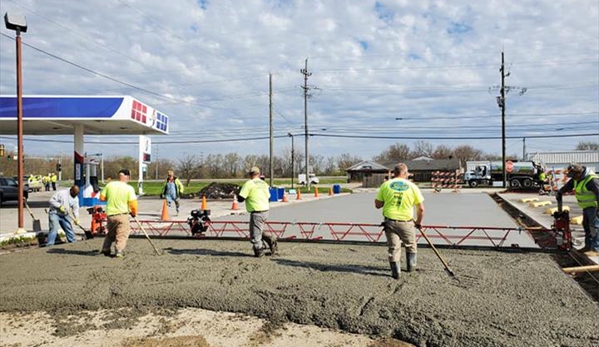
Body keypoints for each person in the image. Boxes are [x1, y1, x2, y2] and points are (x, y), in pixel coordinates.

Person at [375, 163, 425, 279]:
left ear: (394, 173)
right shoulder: (412, 186)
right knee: (411, 245)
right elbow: (421, 209)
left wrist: (386, 201)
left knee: (393, 248)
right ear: (405, 173)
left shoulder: (385, 185)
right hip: (407, 222)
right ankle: (410, 268)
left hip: (390, 222)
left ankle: (396, 273)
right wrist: (418, 222)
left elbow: (377, 205)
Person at [556, 163, 599, 256]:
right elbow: (568, 186)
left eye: (573, 176)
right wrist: (560, 192)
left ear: (579, 173)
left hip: (594, 207)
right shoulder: (577, 179)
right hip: (586, 207)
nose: (573, 178)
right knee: (587, 226)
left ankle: (596, 249)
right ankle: (588, 246)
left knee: (594, 227)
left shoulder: (592, 180)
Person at [237, 166, 277, 257]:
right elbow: (269, 197)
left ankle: (259, 250)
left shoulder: (249, 184)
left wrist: (237, 193)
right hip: (265, 210)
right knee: (257, 230)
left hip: (256, 211)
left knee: (255, 234)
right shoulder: (264, 184)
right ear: (258, 174)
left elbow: (241, 198)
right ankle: (270, 239)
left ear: (250, 174)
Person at [100, 169, 138, 258]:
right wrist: (134, 213)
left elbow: (102, 198)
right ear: (127, 177)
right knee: (122, 234)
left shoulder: (109, 185)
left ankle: (106, 248)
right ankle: (119, 250)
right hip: (122, 214)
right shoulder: (129, 188)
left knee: (111, 233)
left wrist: (111, 199)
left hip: (110, 214)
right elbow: (133, 204)